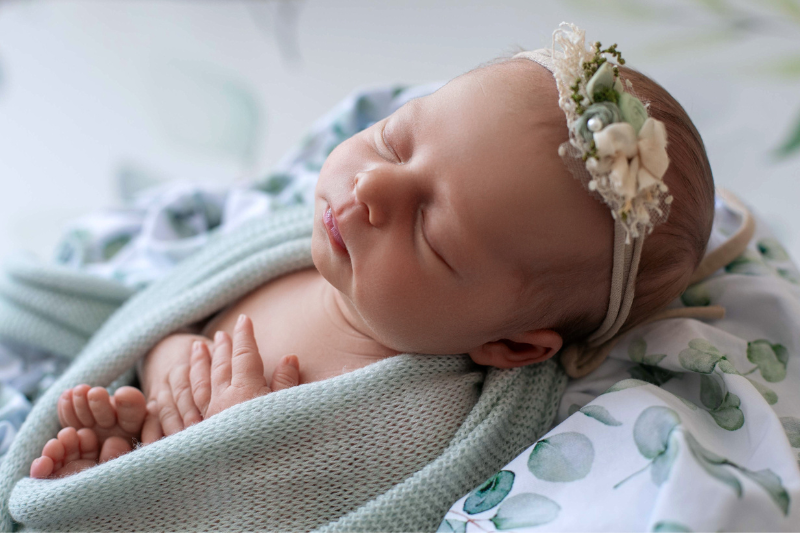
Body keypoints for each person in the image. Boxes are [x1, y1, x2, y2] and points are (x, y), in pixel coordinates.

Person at [29, 29, 715, 478]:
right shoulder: (298, 245)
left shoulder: (412, 420)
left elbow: (301, 509)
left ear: (511, 345)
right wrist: (167, 361)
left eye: (430, 234)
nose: (370, 187)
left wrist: (233, 445)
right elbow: (171, 298)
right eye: (392, 140)